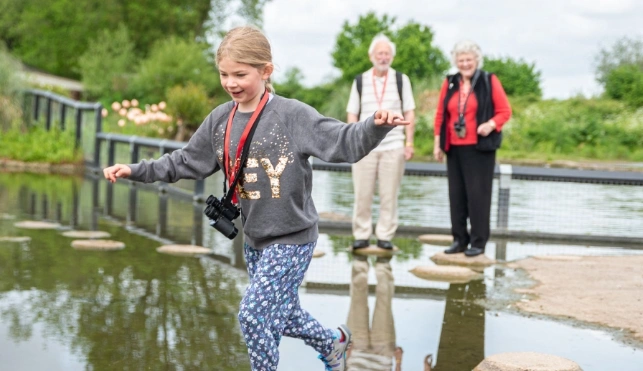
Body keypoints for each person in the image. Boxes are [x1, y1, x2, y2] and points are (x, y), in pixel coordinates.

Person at [103, 26, 410, 371]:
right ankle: (332, 343)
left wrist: (375, 125)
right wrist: (135, 169)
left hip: (292, 238)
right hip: (255, 240)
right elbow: (185, 161)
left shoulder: (291, 115)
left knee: (253, 316)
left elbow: (342, 141)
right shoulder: (221, 119)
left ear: (266, 71)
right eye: (224, 74)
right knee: (284, 313)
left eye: (240, 74)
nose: (231, 83)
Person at [433, 40, 512, 257]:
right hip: (454, 147)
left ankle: (478, 243)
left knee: (478, 196)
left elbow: (505, 111)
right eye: (461, 60)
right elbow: (441, 114)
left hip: (480, 148)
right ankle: (459, 240)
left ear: (477, 60)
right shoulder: (449, 82)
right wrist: (438, 143)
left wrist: (490, 125)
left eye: (469, 59)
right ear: (455, 62)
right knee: (456, 195)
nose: (465, 63)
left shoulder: (488, 80)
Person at [346, 34, 416, 251]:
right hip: (364, 147)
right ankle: (362, 234)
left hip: (394, 145)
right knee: (362, 193)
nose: (383, 57)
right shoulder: (360, 80)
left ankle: (385, 235)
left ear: (392, 57)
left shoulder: (401, 79)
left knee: (389, 194)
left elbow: (410, 111)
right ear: (371, 56)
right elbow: (352, 113)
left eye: (387, 53)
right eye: (380, 53)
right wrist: (353, 141)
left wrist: (409, 143)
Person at [345, 254, 400, 371]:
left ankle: (360, 263)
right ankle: (383, 264)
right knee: (385, 305)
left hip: (355, 352)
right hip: (383, 353)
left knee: (357, 302)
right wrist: (398, 362)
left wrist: (343, 356)